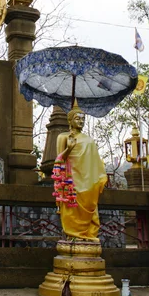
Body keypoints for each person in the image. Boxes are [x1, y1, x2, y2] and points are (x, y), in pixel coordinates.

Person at [52, 100, 107, 241]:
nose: (81, 121)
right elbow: (58, 160)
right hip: (71, 181)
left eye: (83, 119)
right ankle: (73, 236)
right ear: (70, 120)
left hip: (88, 182)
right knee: (71, 205)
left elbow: (95, 163)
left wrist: (100, 178)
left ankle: (88, 235)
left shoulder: (89, 141)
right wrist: (69, 148)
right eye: (77, 118)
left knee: (91, 205)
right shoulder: (63, 137)